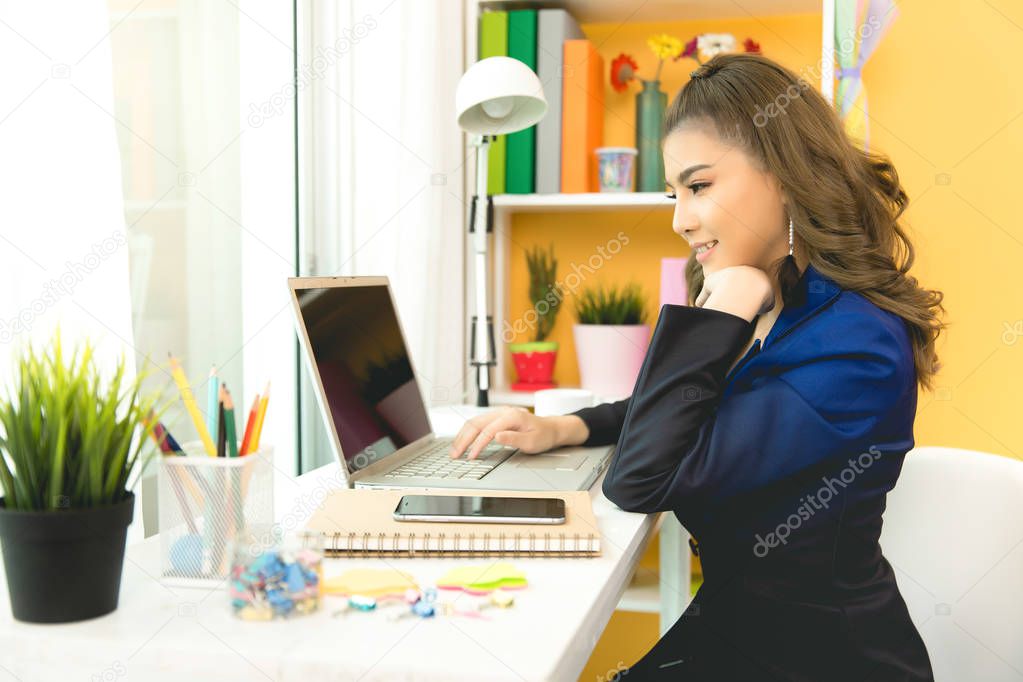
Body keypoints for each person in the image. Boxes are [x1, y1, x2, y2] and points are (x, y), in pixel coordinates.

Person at [449, 53, 945, 681]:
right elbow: (696, 414)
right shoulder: (789, 303)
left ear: (786, 175)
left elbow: (641, 479)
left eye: (700, 186)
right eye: (673, 194)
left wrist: (729, 304)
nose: (680, 219)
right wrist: (566, 428)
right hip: (741, 631)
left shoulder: (857, 346)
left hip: (818, 660)